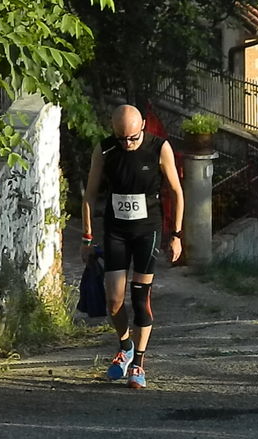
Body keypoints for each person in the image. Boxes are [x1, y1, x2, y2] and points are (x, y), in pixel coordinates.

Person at [81, 104, 184, 389]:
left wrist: (175, 234)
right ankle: (125, 346)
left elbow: (176, 191)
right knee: (113, 300)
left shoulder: (159, 147)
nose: (127, 144)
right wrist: (86, 237)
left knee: (140, 299)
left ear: (142, 128)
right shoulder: (105, 150)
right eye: (121, 138)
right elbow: (90, 194)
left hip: (146, 232)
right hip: (115, 231)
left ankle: (138, 361)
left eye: (133, 138)